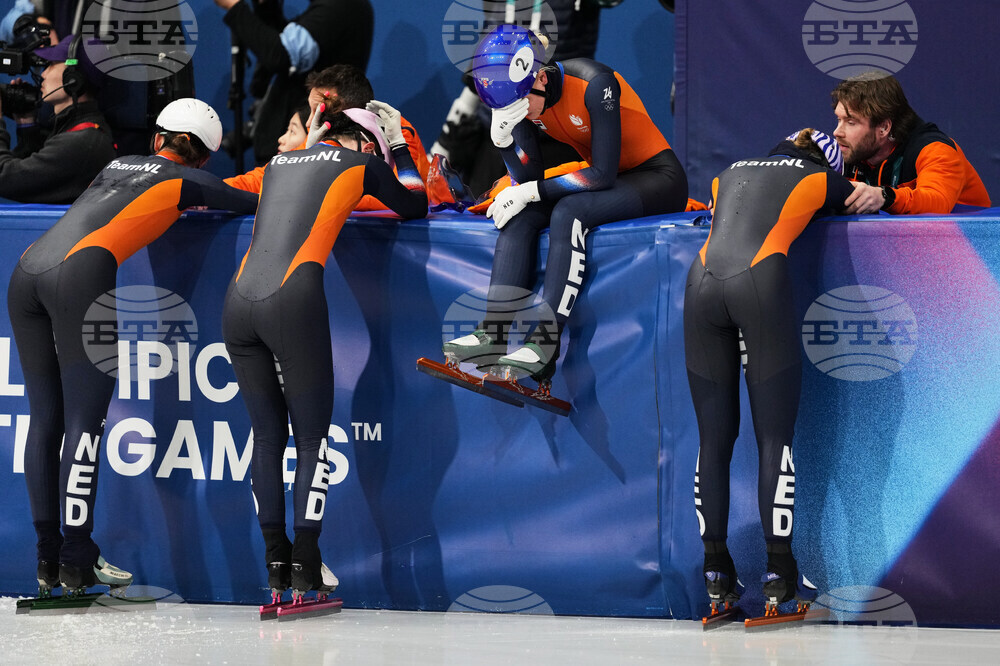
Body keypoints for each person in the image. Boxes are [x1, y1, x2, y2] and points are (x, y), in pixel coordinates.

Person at [7, 98, 258, 597]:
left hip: (27, 270)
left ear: (158, 135)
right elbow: (256, 203)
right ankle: (76, 558)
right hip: (79, 278)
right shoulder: (189, 179)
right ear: (204, 157)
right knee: (84, 423)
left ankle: (46, 560)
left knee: (46, 420)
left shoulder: (115, 163)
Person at [221, 101, 427, 602]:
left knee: (267, 438)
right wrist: (396, 145)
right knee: (312, 439)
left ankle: (275, 563)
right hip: (293, 300)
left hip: (237, 304)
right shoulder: (361, 163)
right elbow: (416, 203)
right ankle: (306, 562)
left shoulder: (278, 164)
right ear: (362, 140)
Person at [441, 24, 688, 385]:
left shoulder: (595, 83)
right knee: (521, 215)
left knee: (569, 212)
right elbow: (528, 177)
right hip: (613, 177)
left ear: (540, 78)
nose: (520, 115)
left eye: (519, 107)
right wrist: (505, 142)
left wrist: (528, 191)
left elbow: (602, 174)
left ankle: (544, 346)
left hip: (657, 177)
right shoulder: (522, 97)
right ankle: (491, 333)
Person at [685, 129, 854, 616]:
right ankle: (779, 572)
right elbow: (861, 202)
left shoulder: (727, 172)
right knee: (773, 441)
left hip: (700, 287)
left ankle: (715, 571)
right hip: (759, 283)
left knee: (712, 442)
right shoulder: (821, 176)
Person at [215, 0, 374, 165]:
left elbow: (281, 56)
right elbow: (284, 43)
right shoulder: (337, 8)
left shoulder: (338, 7)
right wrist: (266, 9)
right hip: (299, 146)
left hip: (303, 151)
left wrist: (234, 7)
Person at [831, 72, 990, 215]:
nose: (837, 132)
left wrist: (884, 196)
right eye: (839, 120)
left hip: (968, 240)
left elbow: (937, 203)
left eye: (851, 122)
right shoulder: (851, 151)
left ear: (884, 128)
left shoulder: (935, 149)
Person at [0, 34, 116, 204]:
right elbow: (29, 170)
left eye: (52, 64)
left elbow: (5, 178)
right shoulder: (75, 129)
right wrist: (26, 124)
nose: (44, 73)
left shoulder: (83, 141)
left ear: (73, 77)